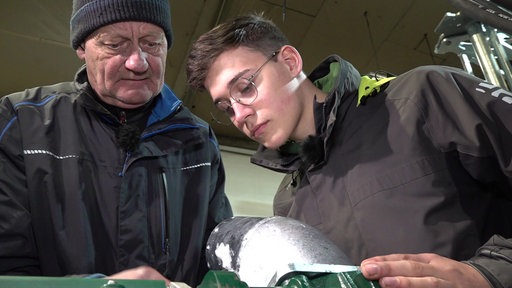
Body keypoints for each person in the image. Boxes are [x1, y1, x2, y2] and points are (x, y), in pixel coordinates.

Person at [185, 13, 512, 287]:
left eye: (245, 87)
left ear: (289, 61)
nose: (239, 115)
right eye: (226, 107)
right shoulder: (288, 201)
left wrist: (487, 274)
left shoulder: (420, 99)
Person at [0, 0, 232, 287]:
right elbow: (8, 264)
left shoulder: (198, 139)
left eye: (152, 43)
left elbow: (214, 258)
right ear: (81, 48)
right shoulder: (21, 123)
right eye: (114, 44)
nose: (138, 62)